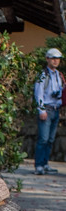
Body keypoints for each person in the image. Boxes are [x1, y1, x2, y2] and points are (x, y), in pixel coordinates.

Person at [34, 47, 64, 175]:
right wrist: (41, 110)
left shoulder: (59, 75)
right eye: (53, 58)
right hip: (46, 109)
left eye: (57, 59)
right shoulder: (43, 75)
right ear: (47, 59)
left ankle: (45, 163)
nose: (55, 61)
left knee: (51, 139)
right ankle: (39, 165)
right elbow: (38, 93)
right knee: (43, 139)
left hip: (56, 109)